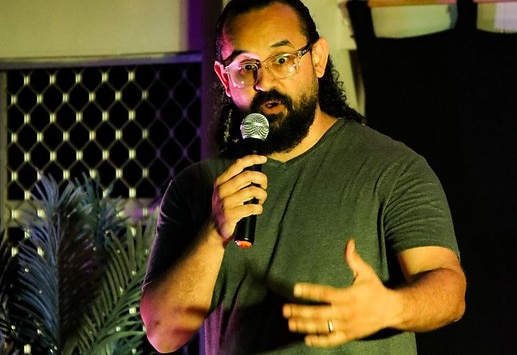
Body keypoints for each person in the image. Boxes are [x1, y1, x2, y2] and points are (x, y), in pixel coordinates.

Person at [140, 0, 467, 354]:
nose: (264, 82)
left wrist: (390, 307)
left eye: (282, 60)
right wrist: (213, 232)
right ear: (224, 79)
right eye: (246, 67)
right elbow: (163, 333)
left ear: (318, 59)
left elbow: (450, 293)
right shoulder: (195, 186)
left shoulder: (392, 167)